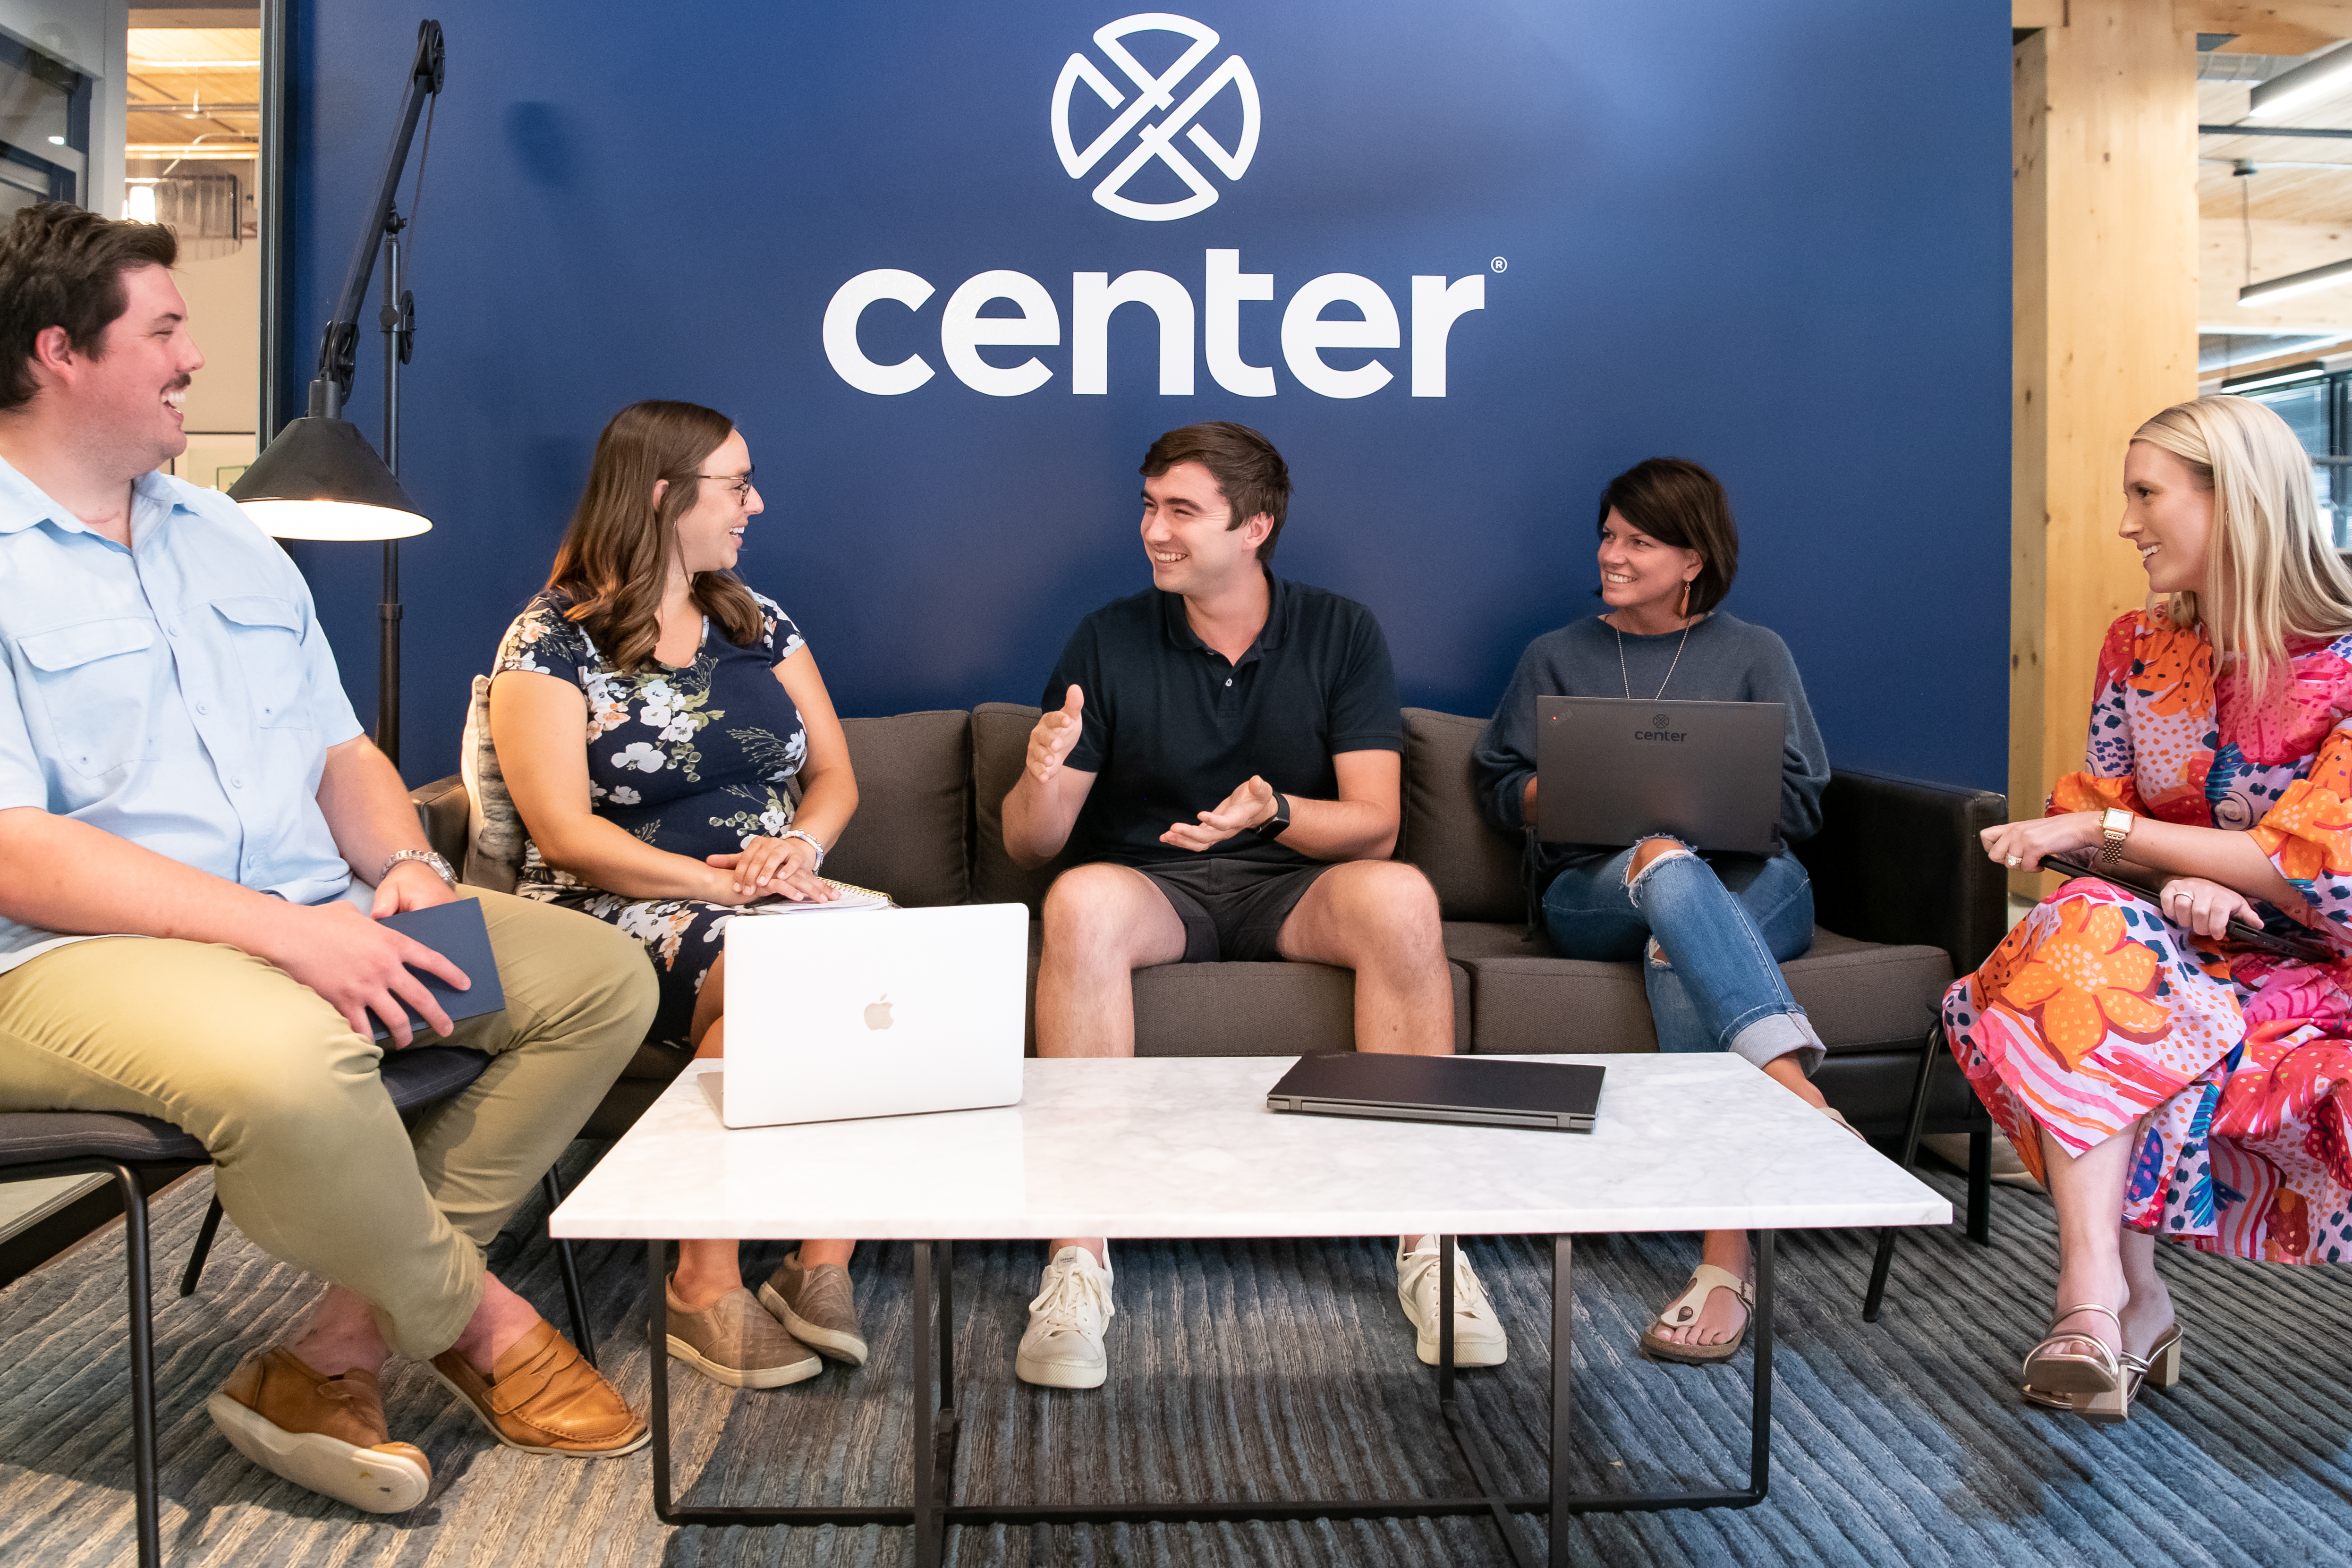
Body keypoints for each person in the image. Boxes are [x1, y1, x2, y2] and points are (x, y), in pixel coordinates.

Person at [0, 203, 657, 1512]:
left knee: (594, 981)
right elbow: (17, 850)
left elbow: (338, 749)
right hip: (67, 961)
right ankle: (480, 1329)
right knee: (305, 1061)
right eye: (169, 328)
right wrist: (290, 937)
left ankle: (335, 1348)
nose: (195, 358)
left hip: (319, 906)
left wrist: (407, 864)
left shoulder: (225, 533)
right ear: (61, 351)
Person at [1000, 419, 1502, 1389]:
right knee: (1079, 902)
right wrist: (1039, 776)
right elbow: (1035, 844)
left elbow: (1375, 826)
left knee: (1401, 897)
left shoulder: (1340, 630)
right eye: (1148, 506)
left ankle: (1427, 1236)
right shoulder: (1107, 636)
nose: (1154, 530)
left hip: (1289, 879)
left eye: (1181, 510)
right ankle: (1078, 1252)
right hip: (1157, 884)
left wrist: (1275, 809)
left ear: (1254, 527)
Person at [1953, 394, 2352, 1423]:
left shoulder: (2345, 659)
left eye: (2145, 493)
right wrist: (2166, 865)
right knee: (2080, 935)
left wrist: (2154, 850)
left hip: (2314, 970)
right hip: (2167, 944)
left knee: (2091, 965)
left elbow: (2318, 870)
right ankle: (2094, 1299)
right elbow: (2100, 827)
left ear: (2233, 499)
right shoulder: (2138, 645)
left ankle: (2128, 1308)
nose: (2126, 522)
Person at [491, 399, 867, 1391]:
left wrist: (794, 844)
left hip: (762, 890)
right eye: (736, 485)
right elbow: (568, 834)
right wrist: (718, 883)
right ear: (664, 495)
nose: (755, 503)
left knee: (884, 964)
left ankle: (817, 1261)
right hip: (611, 905)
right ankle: (702, 1283)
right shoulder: (549, 640)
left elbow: (836, 777)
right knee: (773, 976)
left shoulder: (756, 618)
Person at [1470, 456, 1839, 1366]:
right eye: (1607, 534)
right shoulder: (1553, 654)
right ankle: (1788, 1083)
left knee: (1679, 916)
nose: (1612, 554)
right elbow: (1493, 785)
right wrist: (1574, 796)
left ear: (1692, 560)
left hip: (1752, 880)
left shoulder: (1756, 653)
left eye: (1638, 540)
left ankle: (1722, 1260)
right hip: (1589, 890)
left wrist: (1704, 800)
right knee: (1661, 864)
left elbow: (1805, 802)